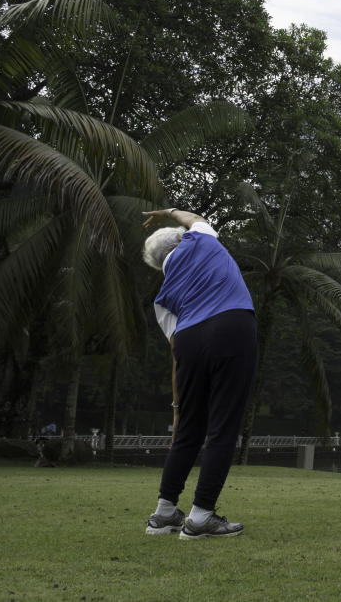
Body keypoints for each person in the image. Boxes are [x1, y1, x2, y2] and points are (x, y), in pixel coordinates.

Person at [140, 207, 258, 540]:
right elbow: (193, 220)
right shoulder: (199, 240)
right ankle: (202, 516)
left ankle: (164, 515)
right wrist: (169, 211)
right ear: (180, 239)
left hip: (190, 341)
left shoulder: (162, 299)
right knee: (223, 426)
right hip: (232, 325)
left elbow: (177, 352)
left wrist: (179, 406)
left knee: (189, 432)